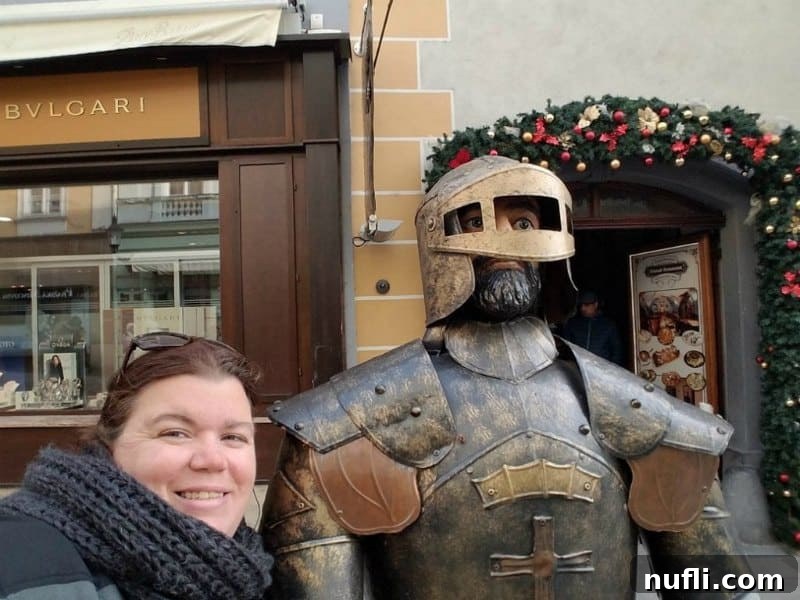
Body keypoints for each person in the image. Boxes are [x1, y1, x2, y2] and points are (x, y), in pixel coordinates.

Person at [261, 156, 753, 599]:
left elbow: (715, 586)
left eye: (522, 222)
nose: (504, 242)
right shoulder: (348, 420)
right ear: (438, 243)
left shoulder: (638, 413)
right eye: (475, 222)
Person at [0, 332, 273, 599]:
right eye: (175, 433)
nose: (213, 460)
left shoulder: (254, 567)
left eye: (233, 437)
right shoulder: (22, 560)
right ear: (109, 444)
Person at [562, 289, 625, 366]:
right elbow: (566, 348)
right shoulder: (573, 324)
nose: (583, 308)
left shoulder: (608, 325)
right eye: (581, 305)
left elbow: (617, 352)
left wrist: (610, 371)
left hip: (602, 372)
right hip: (579, 370)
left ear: (596, 304)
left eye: (587, 305)